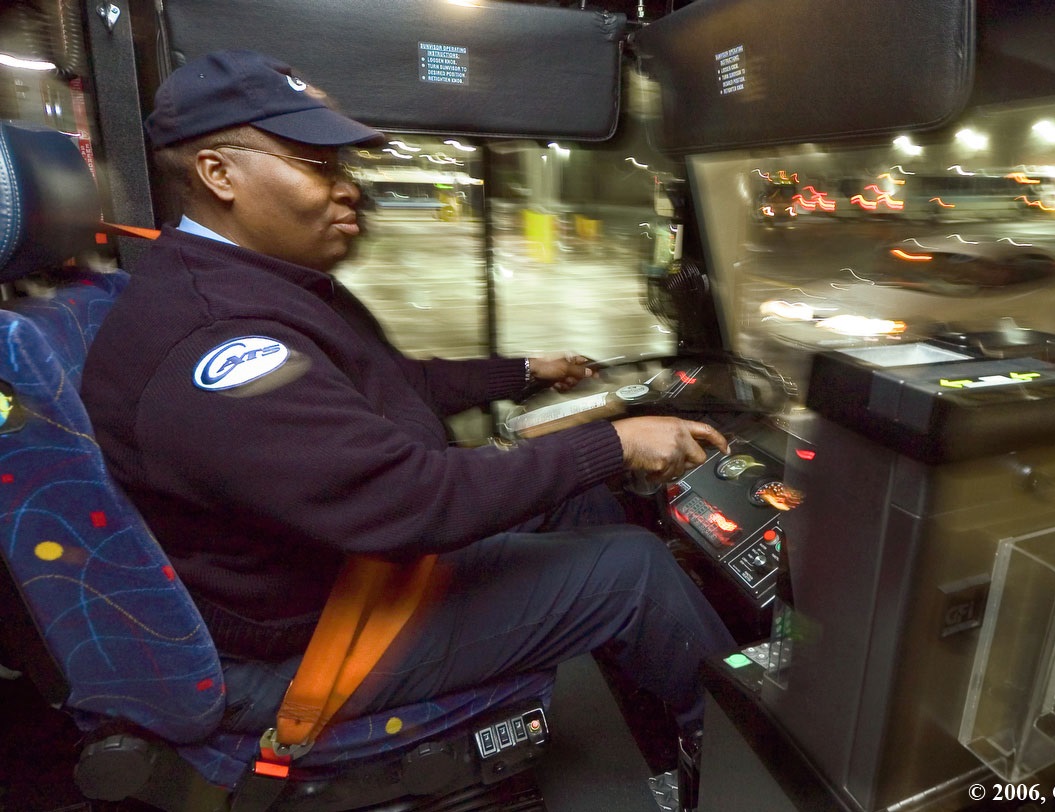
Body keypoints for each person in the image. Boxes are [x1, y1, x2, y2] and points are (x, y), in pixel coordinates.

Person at [79, 49, 734, 781]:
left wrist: (522, 373)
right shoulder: (220, 344)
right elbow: (409, 502)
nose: (348, 189)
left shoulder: (260, 285)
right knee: (632, 571)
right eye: (317, 165)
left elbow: (391, 385)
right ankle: (734, 768)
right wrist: (614, 443)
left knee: (578, 497)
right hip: (314, 632)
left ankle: (635, 684)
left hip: (336, 568)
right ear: (218, 174)